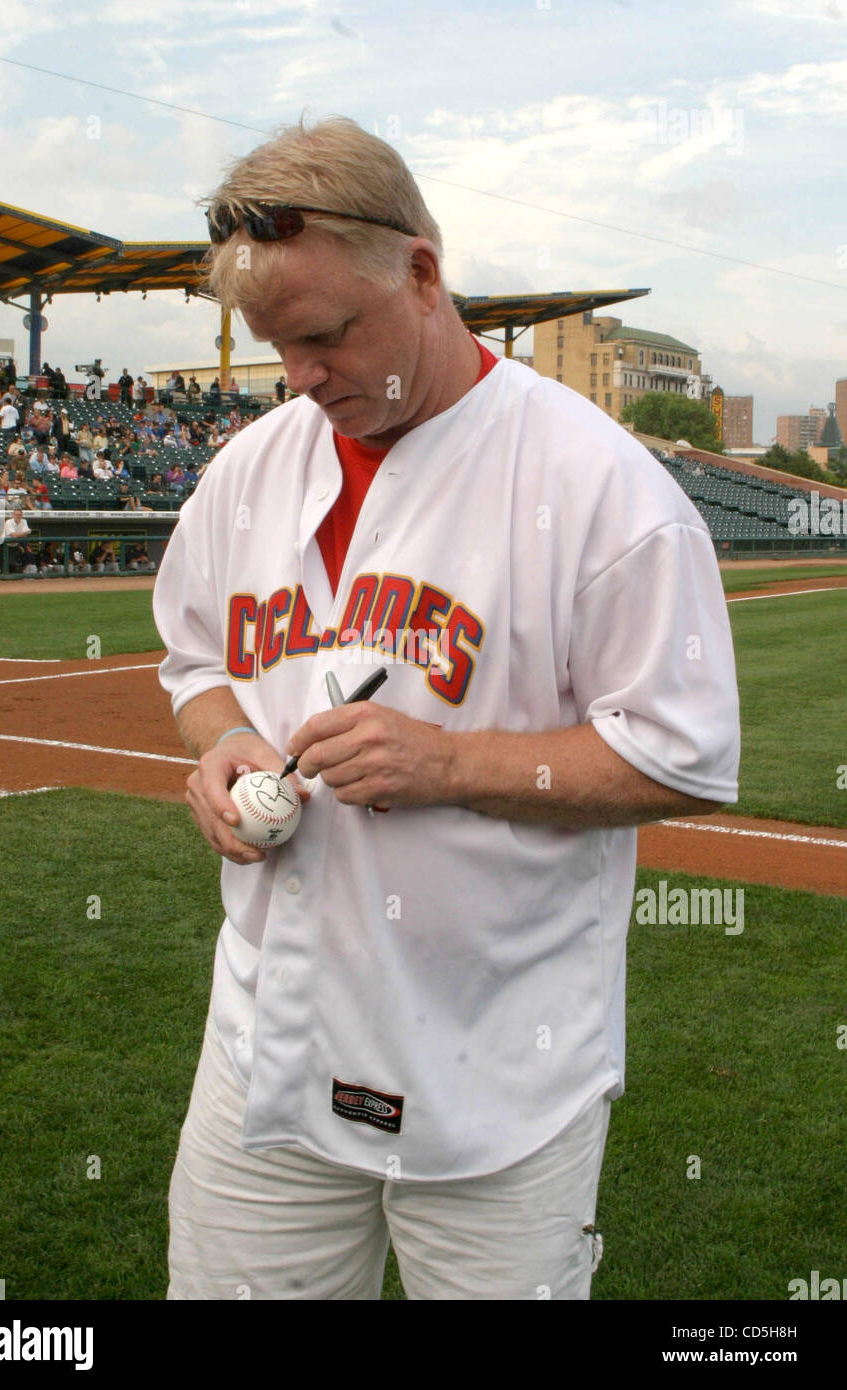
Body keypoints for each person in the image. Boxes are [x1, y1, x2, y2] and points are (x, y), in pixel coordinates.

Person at [152, 119, 740, 1303]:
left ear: (422, 272)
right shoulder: (250, 468)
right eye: (278, 348)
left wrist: (450, 761)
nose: (303, 377)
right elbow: (192, 661)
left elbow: (678, 760)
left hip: (496, 1074)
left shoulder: (598, 484)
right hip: (266, 1045)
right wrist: (221, 743)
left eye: (325, 336)